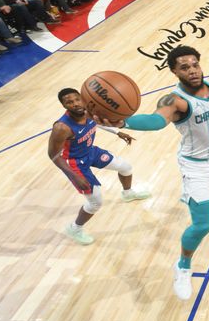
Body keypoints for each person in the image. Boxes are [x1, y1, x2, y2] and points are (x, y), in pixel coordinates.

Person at [100, 46, 209, 300]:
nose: (192, 71)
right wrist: (124, 122)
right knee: (202, 224)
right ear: (174, 71)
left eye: (195, 65)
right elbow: (157, 121)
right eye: (184, 67)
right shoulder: (174, 100)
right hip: (196, 166)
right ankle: (182, 267)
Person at [48, 88, 151, 245]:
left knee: (126, 167)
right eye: (69, 102)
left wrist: (118, 132)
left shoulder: (88, 110)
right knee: (95, 202)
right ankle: (74, 228)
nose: (75, 104)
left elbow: (97, 121)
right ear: (64, 106)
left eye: (77, 99)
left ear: (82, 98)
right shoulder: (62, 128)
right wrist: (75, 176)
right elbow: (54, 155)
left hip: (90, 152)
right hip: (75, 163)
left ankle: (128, 193)